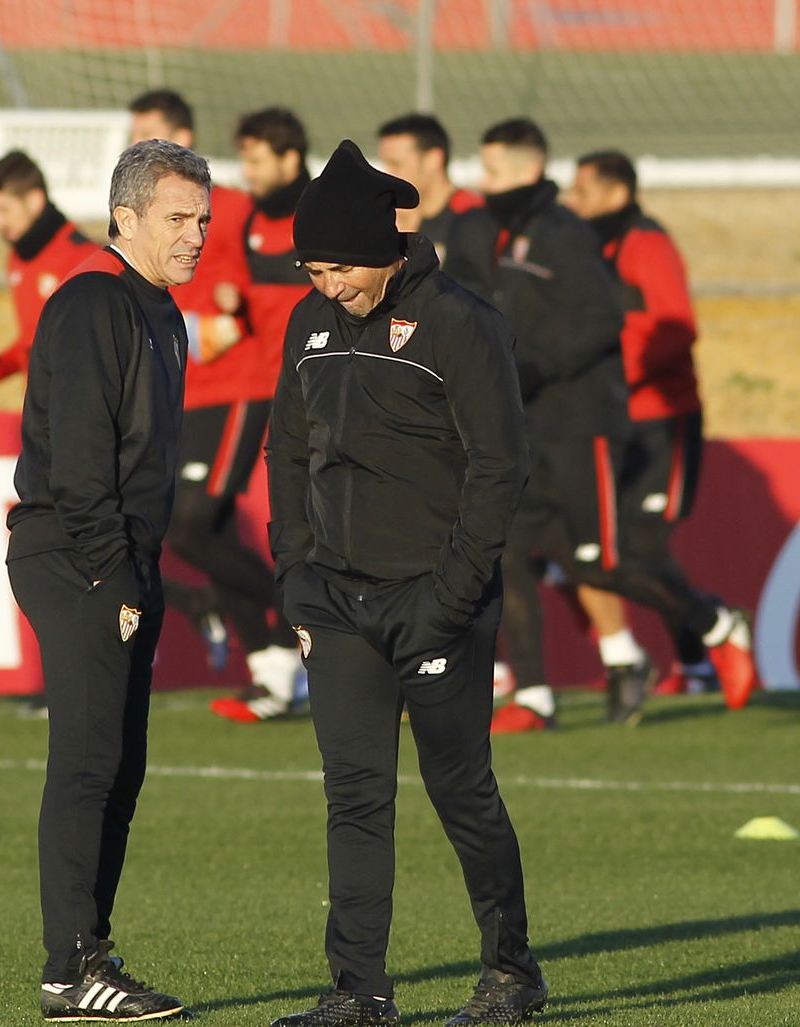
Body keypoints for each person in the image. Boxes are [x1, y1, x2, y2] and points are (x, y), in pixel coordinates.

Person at [267, 139, 546, 1026]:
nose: (327, 284)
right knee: (354, 796)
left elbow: (500, 468)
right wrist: (295, 577)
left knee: (462, 790)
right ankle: (360, 991)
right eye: (312, 268)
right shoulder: (306, 324)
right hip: (336, 604)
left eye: (340, 267)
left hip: (436, 601)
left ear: (386, 251)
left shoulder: (461, 321)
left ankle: (511, 973)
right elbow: (288, 452)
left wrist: (450, 598)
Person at [443, 117, 758, 733]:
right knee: (503, 551)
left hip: (581, 422)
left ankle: (713, 624)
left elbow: (604, 321)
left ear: (529, 170)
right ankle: (534, 695)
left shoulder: (569, 235)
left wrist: (529, 365)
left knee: (598, 561)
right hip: (512, 421)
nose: (484, 181)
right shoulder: (476, 229)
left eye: (495, 170)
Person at [5, 139, 209, 1022]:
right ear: (124, 218)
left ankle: (93, 955)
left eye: (203, 219)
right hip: (78, 554)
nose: (196, 235)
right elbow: (83, 463)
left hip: (123, 558)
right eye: (178, 217)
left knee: (120, 767)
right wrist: (114, 572)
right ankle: (70, 966)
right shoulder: (95, 302)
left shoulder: (161, 311)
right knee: (88, 764)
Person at [127, 89, 299, 699]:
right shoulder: (139, 216)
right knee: (209, 533)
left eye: (148, 133)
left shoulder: (222, 207)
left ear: (181, 138)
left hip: (233, 388)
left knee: (192, 526)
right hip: (184, 391)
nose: (133, 142)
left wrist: (219, 315)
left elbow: (236, 289)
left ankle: (312, 621)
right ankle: (273, 668)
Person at [563, 149, 721, 698]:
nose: (571, 201)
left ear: (617, 194)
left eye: (581, 191)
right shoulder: (589, 247)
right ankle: (674, 656)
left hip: (661, 421)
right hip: (612, 420)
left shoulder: (645, 243)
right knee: (602, 546)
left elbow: (676, 326)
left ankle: (703, 654)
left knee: (646, 547)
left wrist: (612, 378)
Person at [200, 105, 318, 723]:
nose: (245, 170)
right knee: (209, 527)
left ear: (289, 159)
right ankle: (278, 671)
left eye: (255, 158)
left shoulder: (320, 215)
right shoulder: (244, 217)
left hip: (318, 395)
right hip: (273, 396)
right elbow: (225, 276)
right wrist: (229, 296)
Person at [0, 149, 101, 389]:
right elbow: (33, 337)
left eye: (3, 209)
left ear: (34, 201)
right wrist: (0, 367)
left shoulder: (85, 259)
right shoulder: (18, 258)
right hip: (40, 408)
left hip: (80, 408)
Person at [375, 112, 483, 251]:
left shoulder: (472, 216)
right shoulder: (390, 218)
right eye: (385, 164)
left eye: (396, 164)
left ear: (433, 160)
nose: (386, 173)